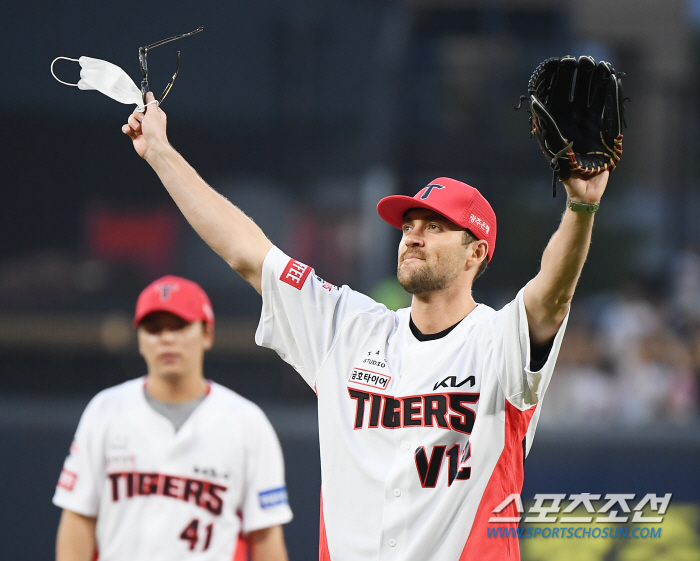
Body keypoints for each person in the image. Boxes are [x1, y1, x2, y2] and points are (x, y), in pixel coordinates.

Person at [121, 92, 609, 560]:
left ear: (475, 252)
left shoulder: (498, 342)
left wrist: (580, 207)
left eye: (435, 227)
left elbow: (553, 295)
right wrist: (161, 154)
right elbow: (247, 252)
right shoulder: (348, 328)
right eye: (408, 225)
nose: (413, 236)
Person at [53, 275, 293, 561]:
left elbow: (265, 535)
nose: (166, 338)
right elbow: (78, 517)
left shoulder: (247, 422)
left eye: (179, 326)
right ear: (140, 340)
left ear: (207, 334)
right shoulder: (105, 410)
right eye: (153, 329)